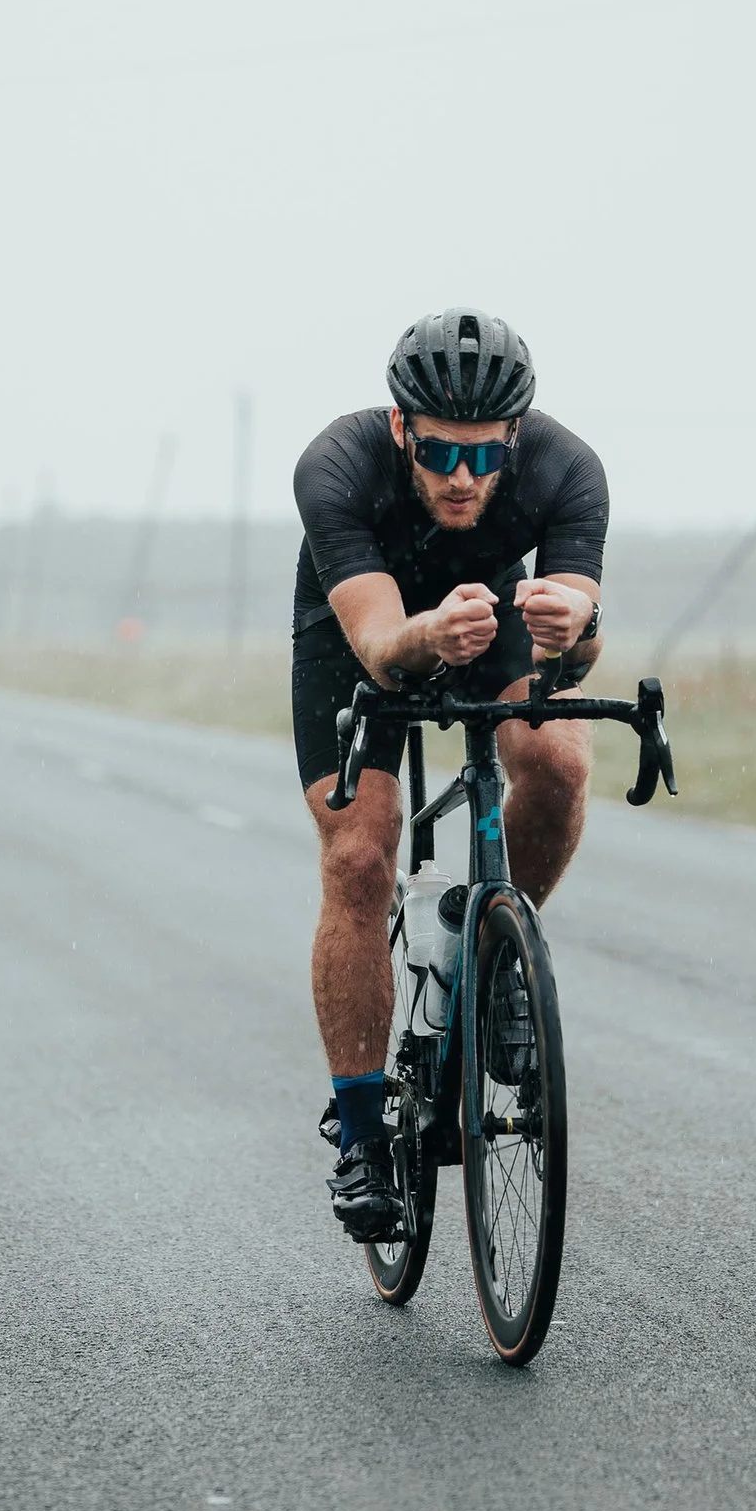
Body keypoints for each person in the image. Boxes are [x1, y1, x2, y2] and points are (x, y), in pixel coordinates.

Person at [292, 309, 608, 1241]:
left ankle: (493, 956)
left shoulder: (568, 469)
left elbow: (581, 647)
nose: (462, 478)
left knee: (555, 758)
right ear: (401, 429)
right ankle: (358, 1134)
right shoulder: (338, 466)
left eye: (484, 457)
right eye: (439, 453)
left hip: (490, 611)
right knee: (359, 854)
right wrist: (427, 638)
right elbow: (386, 650)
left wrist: (574, 630)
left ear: (517, 435)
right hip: (362, 624)